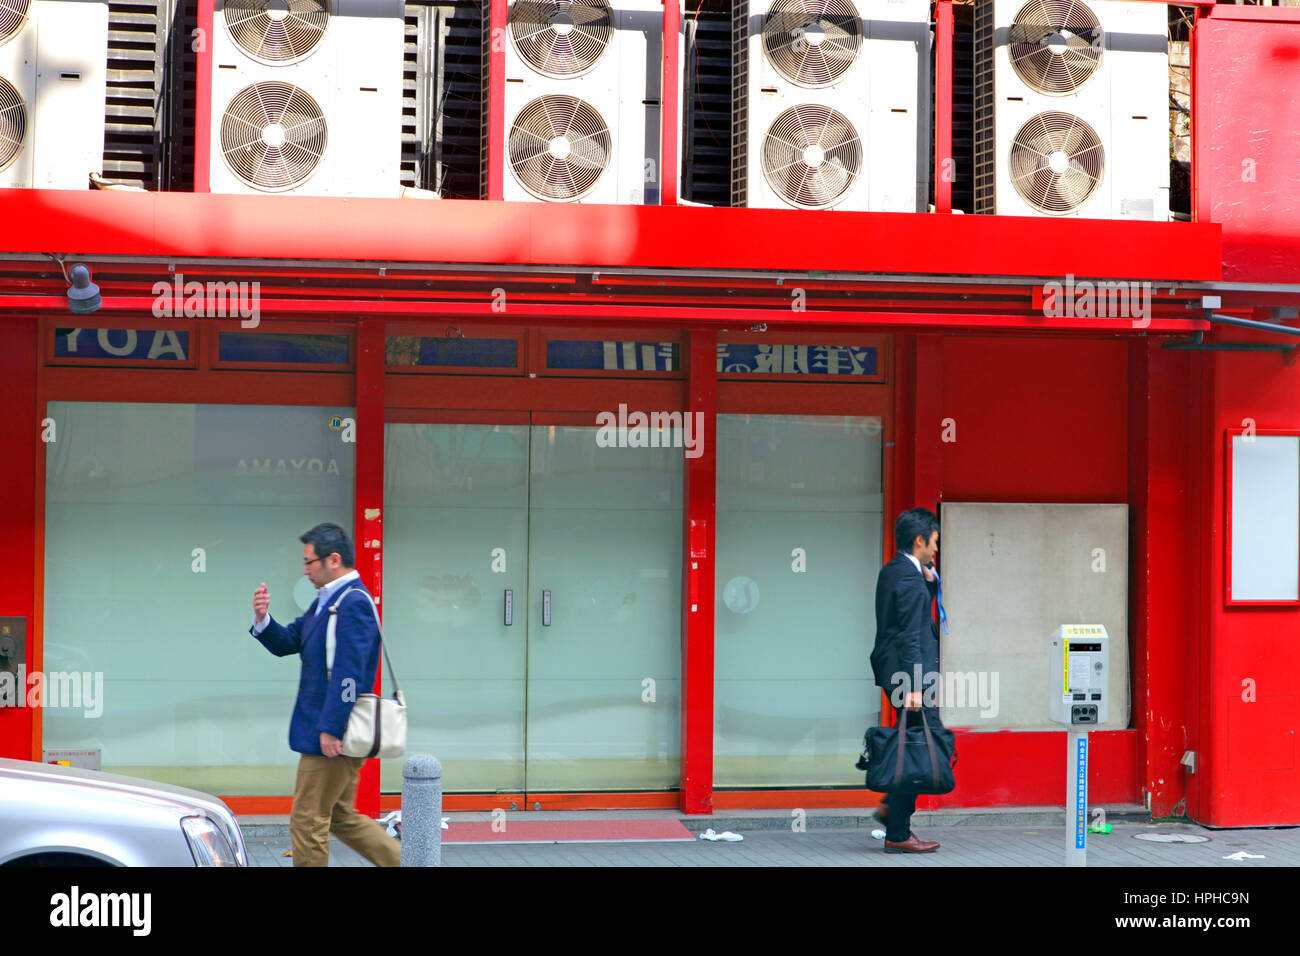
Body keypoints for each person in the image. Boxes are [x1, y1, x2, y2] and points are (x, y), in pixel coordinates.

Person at [250, 522, 401, 867]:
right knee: (339, 816)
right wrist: (263, 619)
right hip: (327, 730)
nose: (304, 571)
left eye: (309, 562)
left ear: (334, 560)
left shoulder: (352, 603)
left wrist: (332, 728)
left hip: (330, 734)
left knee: (307, 820)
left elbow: (352, 673)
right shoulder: (328, 600)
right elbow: (290, 641)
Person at [869, 506, 944, 854]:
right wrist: (914, 686)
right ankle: (897, 831)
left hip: (892, 669)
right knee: (926, 745)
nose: (936, 549)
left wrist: (928, 588)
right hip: (907, 675)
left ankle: (891, 807)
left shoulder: (893, 570)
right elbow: (911, 635)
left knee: (916, 740)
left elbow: (905, 621)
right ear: (919, 541)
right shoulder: (909, 579)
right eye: (934, 542)